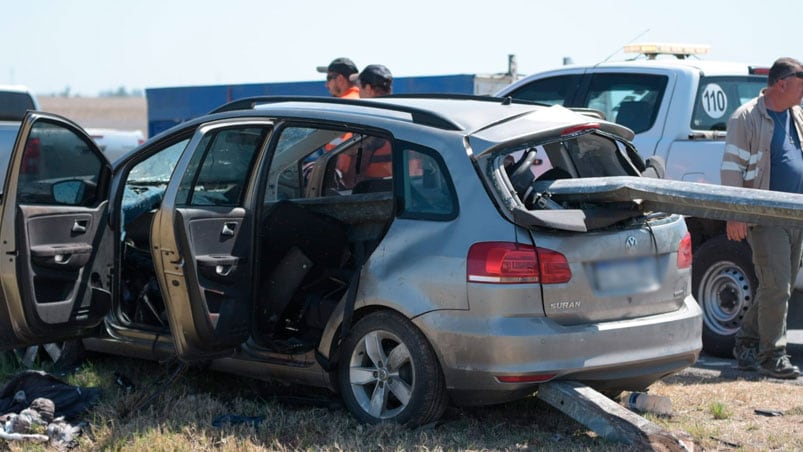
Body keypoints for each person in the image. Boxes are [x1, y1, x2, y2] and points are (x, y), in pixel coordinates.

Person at [721, 57, 803, 379]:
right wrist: (735, 213)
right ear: (782, 83)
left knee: (774, 284)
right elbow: (731, 170)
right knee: (778, 285)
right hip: (765, 214)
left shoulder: (797, 115)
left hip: (795, 213)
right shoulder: (746, 118)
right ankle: (773, 356)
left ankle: (746, 344)